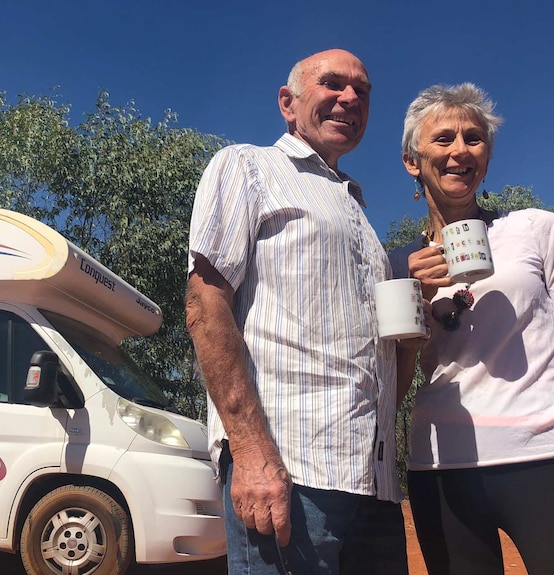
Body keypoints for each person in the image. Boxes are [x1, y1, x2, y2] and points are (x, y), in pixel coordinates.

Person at [185, 48, 408, 574]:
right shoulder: (248, 166)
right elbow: (204, 302)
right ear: (289, 103)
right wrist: (252, 452)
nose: (350, 97)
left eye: (363, 90)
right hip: (290, 468)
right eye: (332, 83)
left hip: (374, 485)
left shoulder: (358, 211)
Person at [390, 82, 554, 574]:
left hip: (549, 455)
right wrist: (417, 301)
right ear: (413, 161)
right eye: (443, 138)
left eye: (474, 139)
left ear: (487, 157)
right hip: (440, 467)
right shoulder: (398, 266)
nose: (460, 151)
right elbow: (396, 384)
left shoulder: (538, 228)